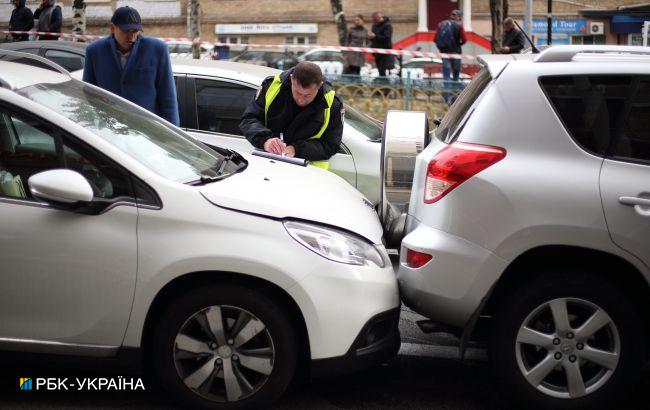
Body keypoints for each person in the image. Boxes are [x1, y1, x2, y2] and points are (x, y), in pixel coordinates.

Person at [82, 6, 179, 126]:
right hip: (108, 131)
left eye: (135, 31)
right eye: (126, 31)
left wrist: (172, 134)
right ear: (113, 28)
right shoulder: (94, 51)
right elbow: (89, 93)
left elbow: (168, 97)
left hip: (148, 131)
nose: (131, 36)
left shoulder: (157, 50)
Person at [239, 62, 343, 170]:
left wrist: (297, 149)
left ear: (320, 85)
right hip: (266, 164)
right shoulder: (271, 86)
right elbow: (249, 119)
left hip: (307, 173)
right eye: (297, 92)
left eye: (308, 95)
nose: (301, 100)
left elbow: (331, 144)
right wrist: (265, 140)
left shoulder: (332, 104)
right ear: (291, 79)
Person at [434, 9, 466, 83]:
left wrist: (441, 48)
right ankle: (455, 93)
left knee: (446, 75)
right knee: (456, 74)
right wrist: (459, 45)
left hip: (445, 52)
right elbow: (464, 39)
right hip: (456, 52)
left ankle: (447, 94)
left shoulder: (441, 24)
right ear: (458, 17)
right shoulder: (459, 25)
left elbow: (435, 39)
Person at [368, 12, 394, 77]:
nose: (374, 22)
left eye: (375, 20)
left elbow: (387, 38)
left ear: (379, 18)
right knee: (380, 70)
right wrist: (370, 37)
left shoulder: (388, 25)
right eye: (373, 21)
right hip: (376, 51)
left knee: (384, 70)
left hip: (385, 51)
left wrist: (375, 36)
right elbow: (373, 38)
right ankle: (382, 84)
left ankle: (385, 85)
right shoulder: (374, 25)